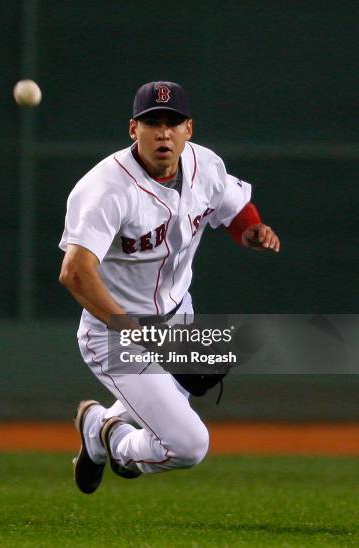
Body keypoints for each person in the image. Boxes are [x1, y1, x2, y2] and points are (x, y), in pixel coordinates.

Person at [59, 81, 280, 494]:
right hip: (115, 334)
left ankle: (95, 426)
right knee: (186, 444)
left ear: (188, 129)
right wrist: (129, 328)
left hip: (177, 318)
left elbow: (234, 209)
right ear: (133, 130)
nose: (163, 132)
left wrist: (251, 229)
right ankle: (115, 442)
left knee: (184, 397)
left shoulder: (204, 166)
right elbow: (75, 271)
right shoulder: (105, 188)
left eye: (172, 123)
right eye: (152, 123)